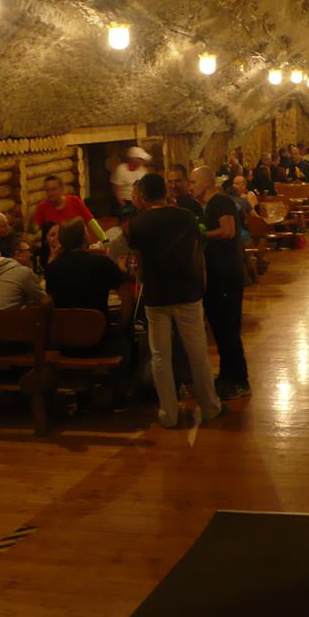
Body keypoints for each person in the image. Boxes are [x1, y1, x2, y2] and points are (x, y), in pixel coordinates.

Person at [128, 174, 223, 428]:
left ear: (143, 196)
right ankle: (210, 407)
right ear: (165, 192)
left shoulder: (137, 224)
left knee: (160, 357)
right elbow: (196, 252)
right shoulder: (186, 217)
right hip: (187, 290)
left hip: (156, 294)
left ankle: (168, 414)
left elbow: (139, 263)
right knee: (197, 352)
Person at [189, 166, 250, 399]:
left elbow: (228, 231)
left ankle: (240, 380)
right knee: (221, 329)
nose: (191, 187)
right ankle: (226, 375)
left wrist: (202, 234)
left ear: (206, 182)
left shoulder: (221, 203)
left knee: (229, 328)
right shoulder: (207, 207)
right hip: (216, 275)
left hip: (227, 274)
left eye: (193, 182)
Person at [46, 218, 133, 333]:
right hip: (99, 333)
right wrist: (122, 325)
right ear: (85, 237)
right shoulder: (102, 263)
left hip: (66, 335)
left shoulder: (53, 268)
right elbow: (127, 295)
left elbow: (50, 302)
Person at [32, 174, 106, 245]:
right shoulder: (42, 207)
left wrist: (105, 240)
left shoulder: (74, 201)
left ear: (62, 189)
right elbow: (34, 232)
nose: (50, 193)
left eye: (54, 189)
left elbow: (91, 222)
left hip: (76, 246)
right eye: (47, 190)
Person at [0, 234, 46, 310]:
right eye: (28, 250)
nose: (31, 254)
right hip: (5, 317)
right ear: (18, 255)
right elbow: (43, 300)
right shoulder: (23, 272)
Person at [113, 147, 151, 214]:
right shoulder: (121, 169)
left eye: (142, 160)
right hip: (126, 202)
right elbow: (116, 190)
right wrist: (124, 205)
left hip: (139, 202)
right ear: (132, 159)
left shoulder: (143, 170)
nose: (141, 162)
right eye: (139, 159)